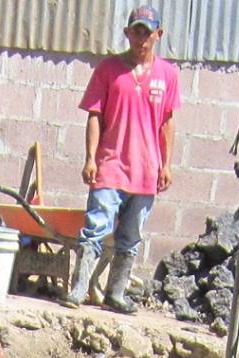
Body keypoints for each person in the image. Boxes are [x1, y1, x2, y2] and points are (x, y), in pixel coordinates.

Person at [69, 5, 180, 313]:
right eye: (137, 31)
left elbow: (167, 122)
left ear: (158, 35)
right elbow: (94, 115)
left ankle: (116, 292)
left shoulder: (167, 75)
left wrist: (166, 164)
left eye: (148, 32)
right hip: (110, 164)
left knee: (130, 236)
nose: (141, 38)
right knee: (96, 227)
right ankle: (79, 287)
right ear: (127, 33)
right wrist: (90, 157)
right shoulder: (108, 69)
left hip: (146, 170)